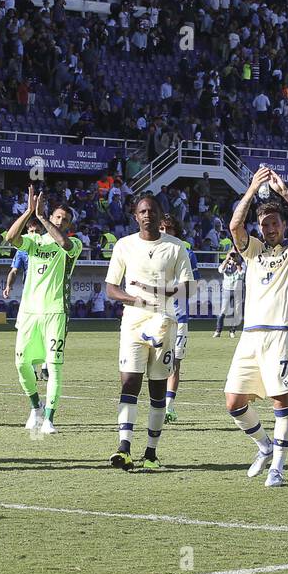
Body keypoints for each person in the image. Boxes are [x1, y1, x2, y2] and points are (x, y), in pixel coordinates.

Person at [223, 166, 288, 488]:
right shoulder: (253, 253)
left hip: (280, 335)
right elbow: (235, 225)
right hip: (250, 337)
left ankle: (278, 466)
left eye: (274, 223)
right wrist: (251, 190)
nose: (269, 228)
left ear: (283, 225)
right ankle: (264, 445)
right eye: (264, 225)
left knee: (281, 402)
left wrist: (284, 191)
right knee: (233, 402)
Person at [104, 195, 193, 469]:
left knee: (156, 390)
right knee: (130, 382)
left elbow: (189, 287)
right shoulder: (124, 245)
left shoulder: (176, 248)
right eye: (142, 211)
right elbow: (111, 288)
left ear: (160, 214)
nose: (147, 215)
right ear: (135, 216)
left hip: (164, 323)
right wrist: (136, 300)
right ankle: (124, 448)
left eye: (152, 211)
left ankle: (151, 453)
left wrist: (161, 293)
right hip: (132, 323)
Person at [5, 184, 80, 435]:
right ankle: (35, 407)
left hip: (55, 312)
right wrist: (28, 212)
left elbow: (63, 243)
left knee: (54, 365)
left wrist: (43, 218)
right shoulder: (34, 241)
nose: (60, 220)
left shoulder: (72, 244)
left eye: (64, 219)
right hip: (28, 312)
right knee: (21, 363)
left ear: (68, 225)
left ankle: (49, 419)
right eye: (58, 216)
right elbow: (10, 238)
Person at [159, 213, 199, 423]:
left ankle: (169, 407)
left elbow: (193, 286)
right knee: (154, 363)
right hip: (154, 316)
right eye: (162, 229)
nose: (164, 233)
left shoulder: (187, 253)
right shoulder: (150, 252)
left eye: (169, 229)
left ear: (176, 232)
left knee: (174, 363)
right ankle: (156, 403)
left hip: (179, 317)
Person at [3, 220, 48, 386]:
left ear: (42, 230)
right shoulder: (22, 249)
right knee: (28, 332)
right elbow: (14, 270)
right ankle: (33, 369)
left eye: (37, 230)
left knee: (46, 332)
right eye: (31, 230)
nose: (34, 233)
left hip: (48, 296)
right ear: (27, 231)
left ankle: (45, 367)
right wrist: (8, 286)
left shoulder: (48, 246)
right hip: (30, 297)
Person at [214, 248, 243, 338]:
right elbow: (220, 270)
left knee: (236, 311)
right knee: (223, 311)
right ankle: (218, 331)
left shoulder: (242, 263)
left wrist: (238, 263)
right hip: (227, 289)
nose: (233, 257)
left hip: (237, 290)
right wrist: (226, 260)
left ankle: (232, 331)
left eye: (235, 255)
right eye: (232, 255)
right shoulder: (226, 263)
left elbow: (242, 273)